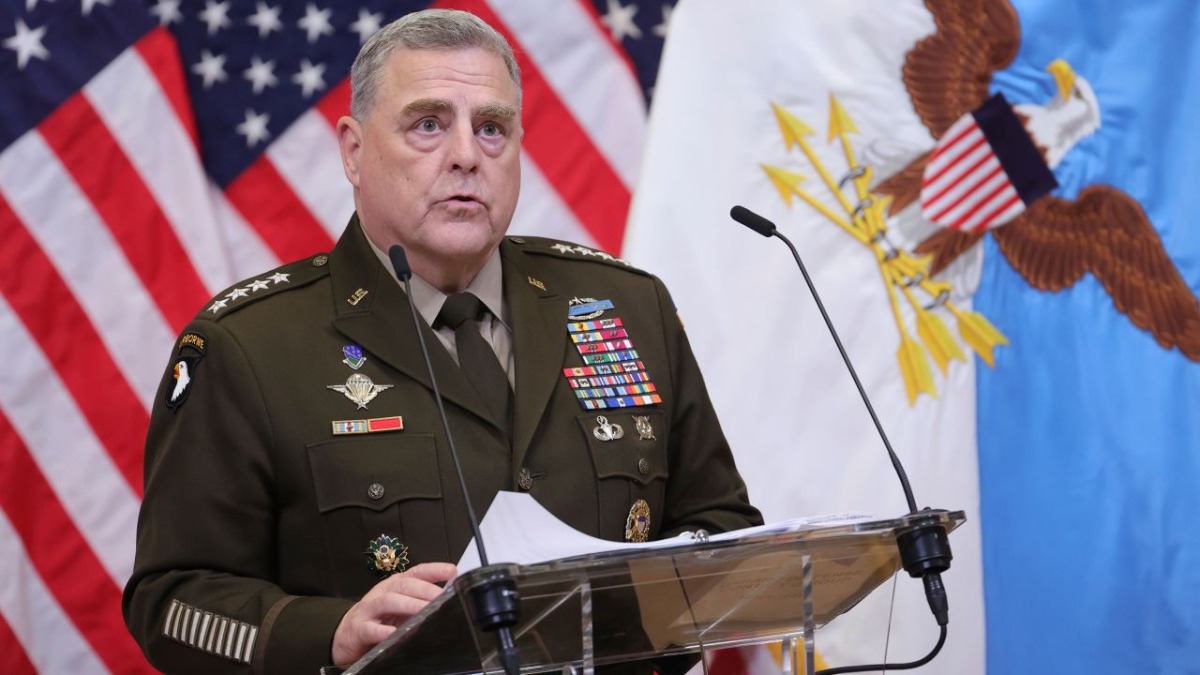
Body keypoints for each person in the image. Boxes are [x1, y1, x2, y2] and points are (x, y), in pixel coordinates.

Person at [122, 9, 761, 674]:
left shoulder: (626, 306)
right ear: (353, 151)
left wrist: (640, 609)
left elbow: (721, 524)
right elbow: (170, 602)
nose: (466, 155)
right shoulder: (249, 345)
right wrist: (330, 632)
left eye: (492, 128)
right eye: (428, 124)